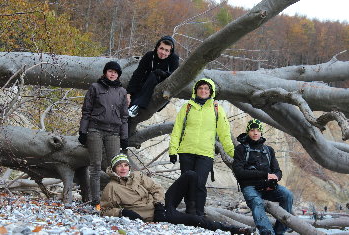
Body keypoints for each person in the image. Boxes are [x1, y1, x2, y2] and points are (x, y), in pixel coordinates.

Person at [101, 153, 254, 234]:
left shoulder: (138, 176)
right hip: (151, 216)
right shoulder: (112, 187)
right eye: (119, 166)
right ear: (114, 169)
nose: (123, 168)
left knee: (190, 175)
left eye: (125, 165)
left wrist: (160, 204)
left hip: (160, 207)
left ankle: (191, 208)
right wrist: (124, 212)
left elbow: (157, 189)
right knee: (195, 220)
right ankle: (233, 230)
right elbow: (105, 210)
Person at [169, 78, 235, 216]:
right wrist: (173, 150)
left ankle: (199, 213)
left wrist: (232, 152)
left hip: (205, 153)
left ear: (211, 92)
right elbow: (177, 130)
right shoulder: (186, 107)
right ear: (196, 90)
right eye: (201, 88)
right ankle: (190, 211)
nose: (203, 91)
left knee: (199, 183)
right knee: (187, 182)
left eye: (206, 89)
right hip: (186, 151)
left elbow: (224, 134)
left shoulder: (217, 109)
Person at [78, 61, 129, 211]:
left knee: (115, 167)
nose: (112, 74)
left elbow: (124, 117)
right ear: (105, 72)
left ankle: (112, 200)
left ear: (118, 75)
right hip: (95, 130)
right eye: (110, 71)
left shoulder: (122, 92)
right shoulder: (95, 87)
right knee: (95, 166)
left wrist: (124, 137)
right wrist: (83, 131)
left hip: (113, 132)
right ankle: (96, 202)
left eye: (115, 72)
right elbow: (86, 111)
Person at [232, 119, 293, 235]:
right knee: (256, 202)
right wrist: (265, 174)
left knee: (287, 195)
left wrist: (274, 178)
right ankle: (267, 232)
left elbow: (278, 171)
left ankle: (280, 232)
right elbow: (239, 172)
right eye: (252, 130)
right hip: (250, 187)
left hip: (268, 187)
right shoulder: (241, 149)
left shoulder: (268, 150)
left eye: (258, 130)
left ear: (261, 132)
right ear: (248, 132)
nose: (255, 133)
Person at [127, 35, 179, 117]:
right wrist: (129, 93)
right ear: (157, 47)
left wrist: (163, 73)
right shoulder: (149, 56)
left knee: (155, 74)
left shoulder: (174, 59)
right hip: (145, 87)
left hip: (162, 91)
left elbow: (175, 76)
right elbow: (138, 74)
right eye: (161, 48)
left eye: (167, 50)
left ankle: (137, 106)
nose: (163, 53)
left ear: (170, 52)